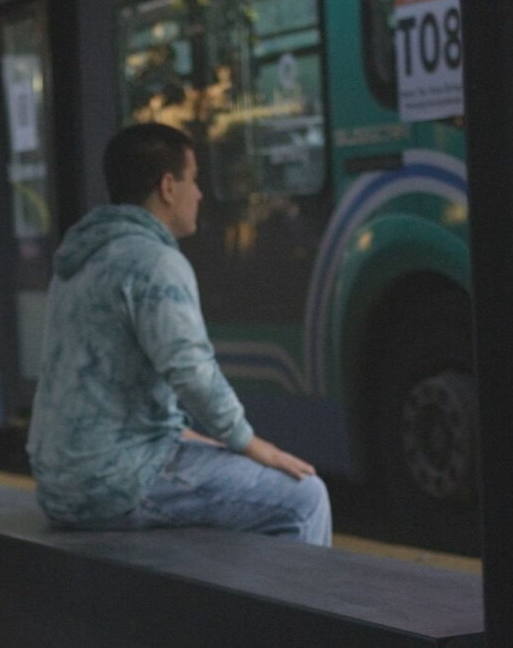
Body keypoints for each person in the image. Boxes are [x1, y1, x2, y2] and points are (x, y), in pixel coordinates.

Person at [26, 123, 332, 546]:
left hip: (61, 484)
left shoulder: (80, 260)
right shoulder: (154, 263)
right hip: (116, 482)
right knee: (305, 498)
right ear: (168, 187)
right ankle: (296, 615)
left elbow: (105, 395)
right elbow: (192, 373)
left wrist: (204, 441)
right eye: (194, 180)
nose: (201, 195)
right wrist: (251, 444)